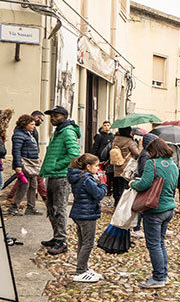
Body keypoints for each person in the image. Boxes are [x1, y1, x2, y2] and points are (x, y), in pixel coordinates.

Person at [130, 139, 179, 289]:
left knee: (154, 245)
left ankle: (158, 278)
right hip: (169, 208)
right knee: (160, 243)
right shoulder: (173, 165)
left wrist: (133, 183)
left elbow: (144, 184)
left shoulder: (152, 163)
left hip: (155, 209)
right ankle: (163, 275)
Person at [39, 107, 81, 256]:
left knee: (59, 208)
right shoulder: (59, 131)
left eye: (56, 116)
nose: (53, 118)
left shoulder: (68, 132)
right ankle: (56, 236)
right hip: (52, 175)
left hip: (61, 176)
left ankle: (61, 241)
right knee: (51, 208)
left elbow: (74, 154)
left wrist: (56, 165)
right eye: (51, 116)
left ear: (64, 116)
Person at [67, 153, 106, 283]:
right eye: (96, 166)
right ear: (88, 166)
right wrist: (103, 183)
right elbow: (98, 194)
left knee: (82, 242)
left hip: (79, 212)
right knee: (88, 243)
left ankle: (83, 267)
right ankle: (80, 271)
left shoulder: (79, 176)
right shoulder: (87, 179)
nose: (98, 168)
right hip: (87, 214)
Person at [7, 114, 41, 217]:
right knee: (24, 185)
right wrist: (18, 165)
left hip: (32, 164)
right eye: (31, 124)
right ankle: (13, 207)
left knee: (33, 185)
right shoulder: (19, 135)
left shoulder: (29, 134)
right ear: (25, 124)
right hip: (24, 163)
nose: (34, 126)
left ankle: (31, 207)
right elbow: (16, 151)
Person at [111, 127, 140, 207]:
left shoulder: (115, 139)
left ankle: (117, 203)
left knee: (117, 186)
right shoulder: (129, 141)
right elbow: (137, 153)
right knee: (125, 187)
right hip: (126, 166)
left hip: (116, 165)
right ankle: (123, 205)